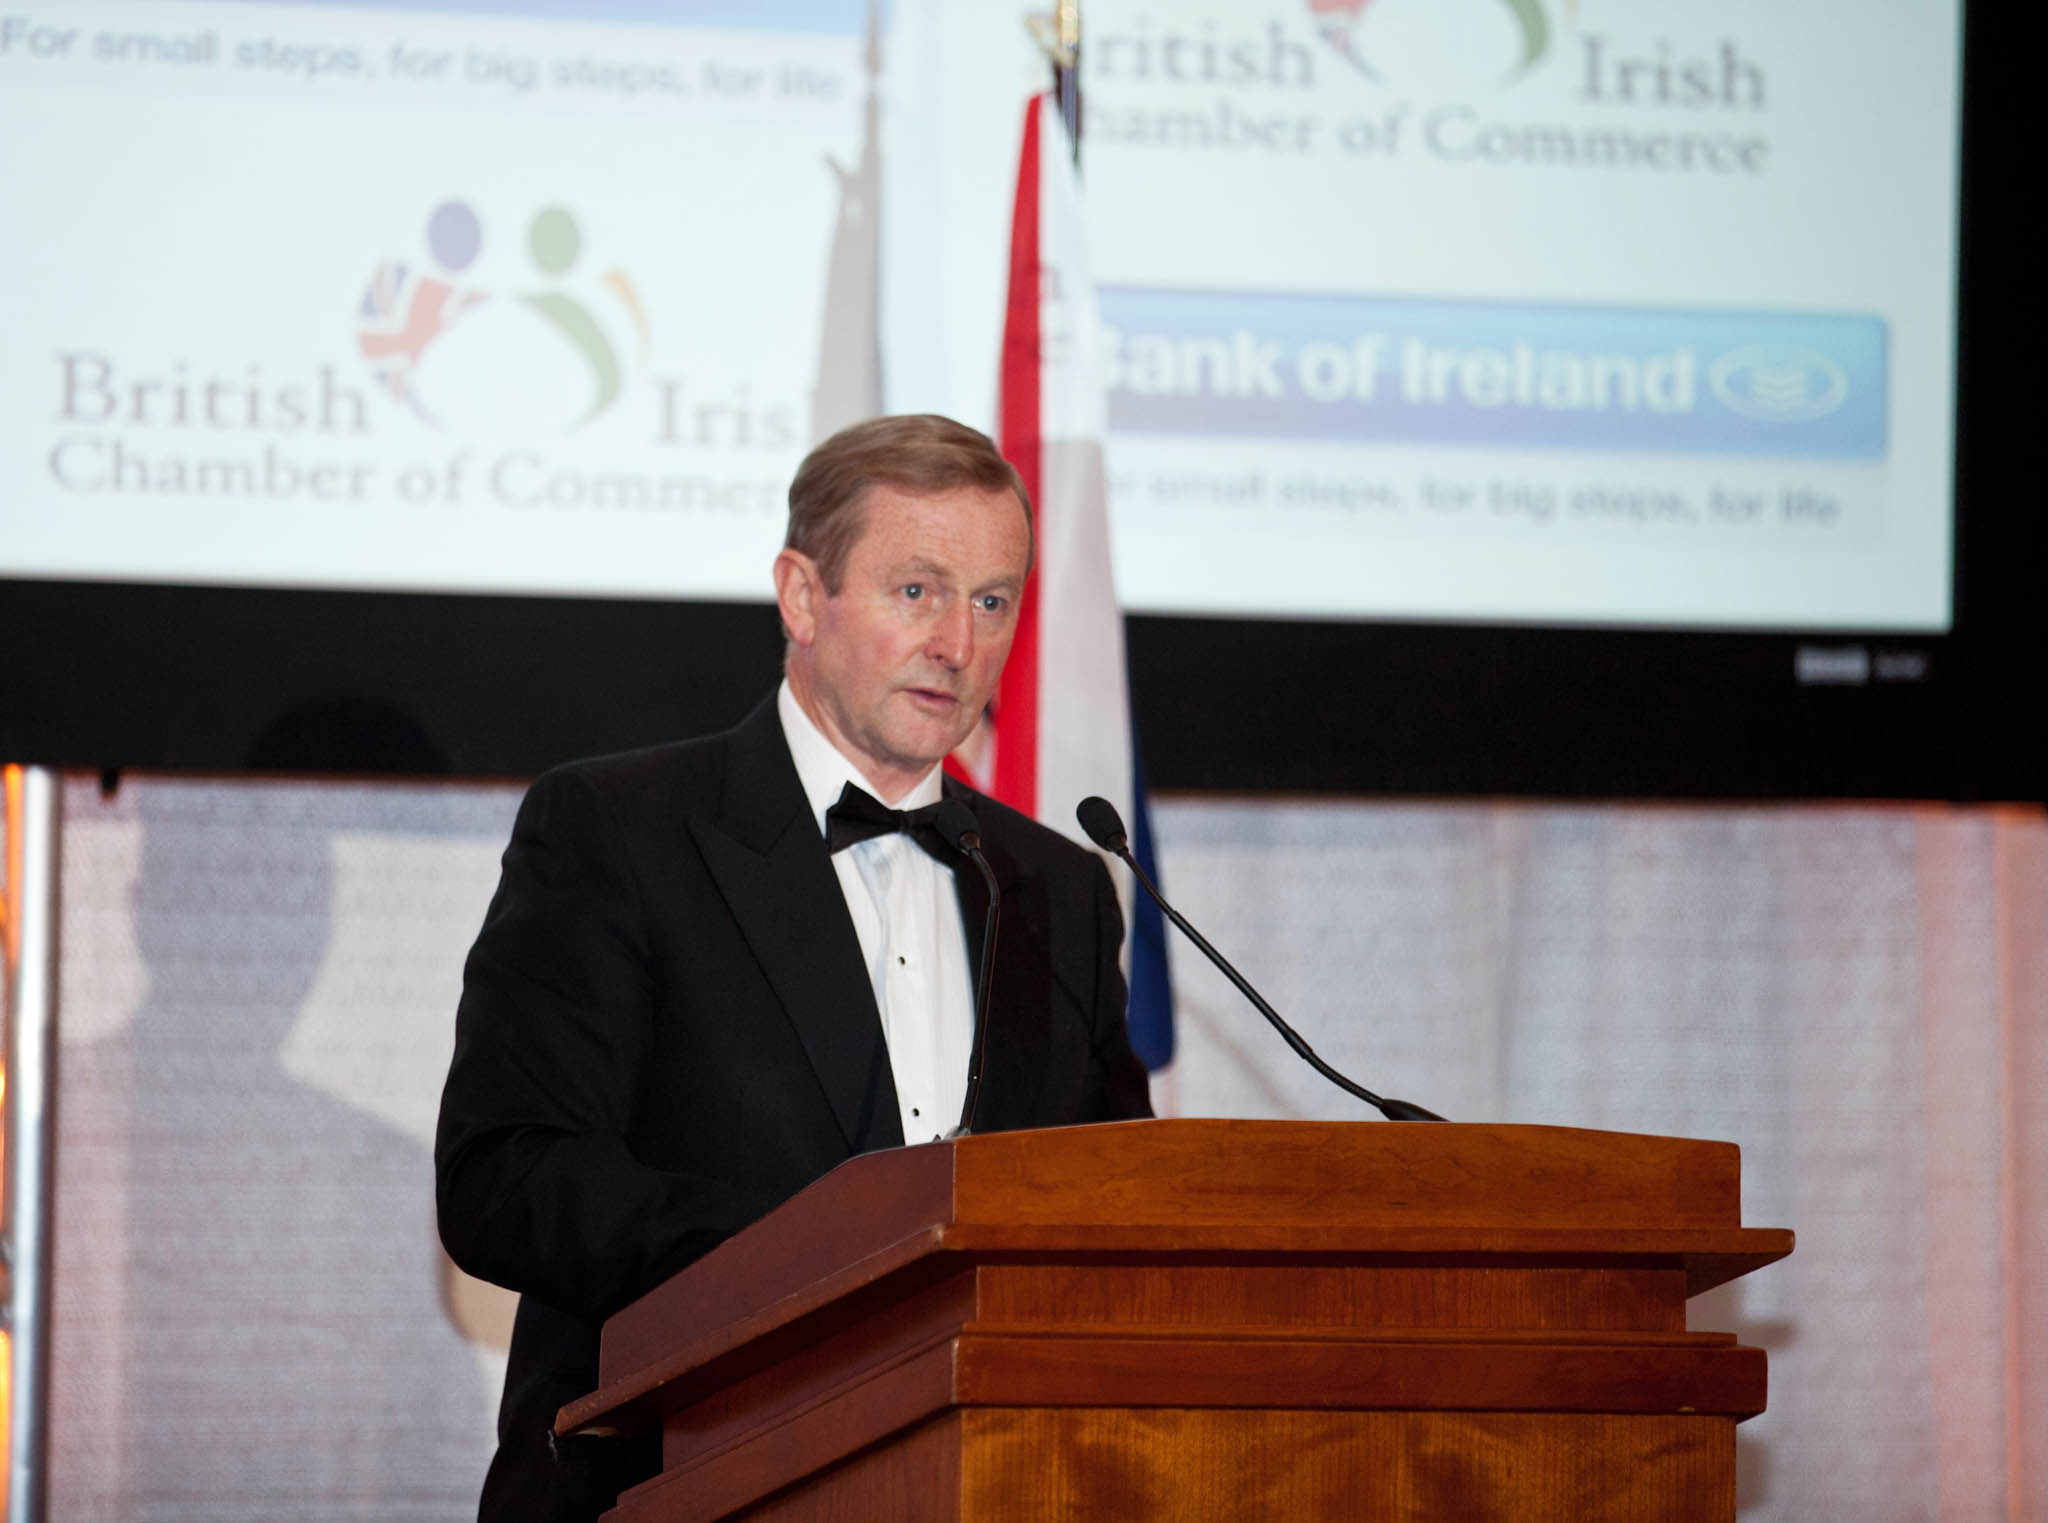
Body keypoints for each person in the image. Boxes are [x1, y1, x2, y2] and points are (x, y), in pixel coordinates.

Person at [434, 414, 1154, 1523]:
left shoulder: (1060, 883)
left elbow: (1109, 1212)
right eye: (916, 590)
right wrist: (831, 1261)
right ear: (802, 596)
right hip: (678, 1477)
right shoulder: (620, 830)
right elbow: (506, 1179)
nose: (958, 643)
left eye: (992, 599)